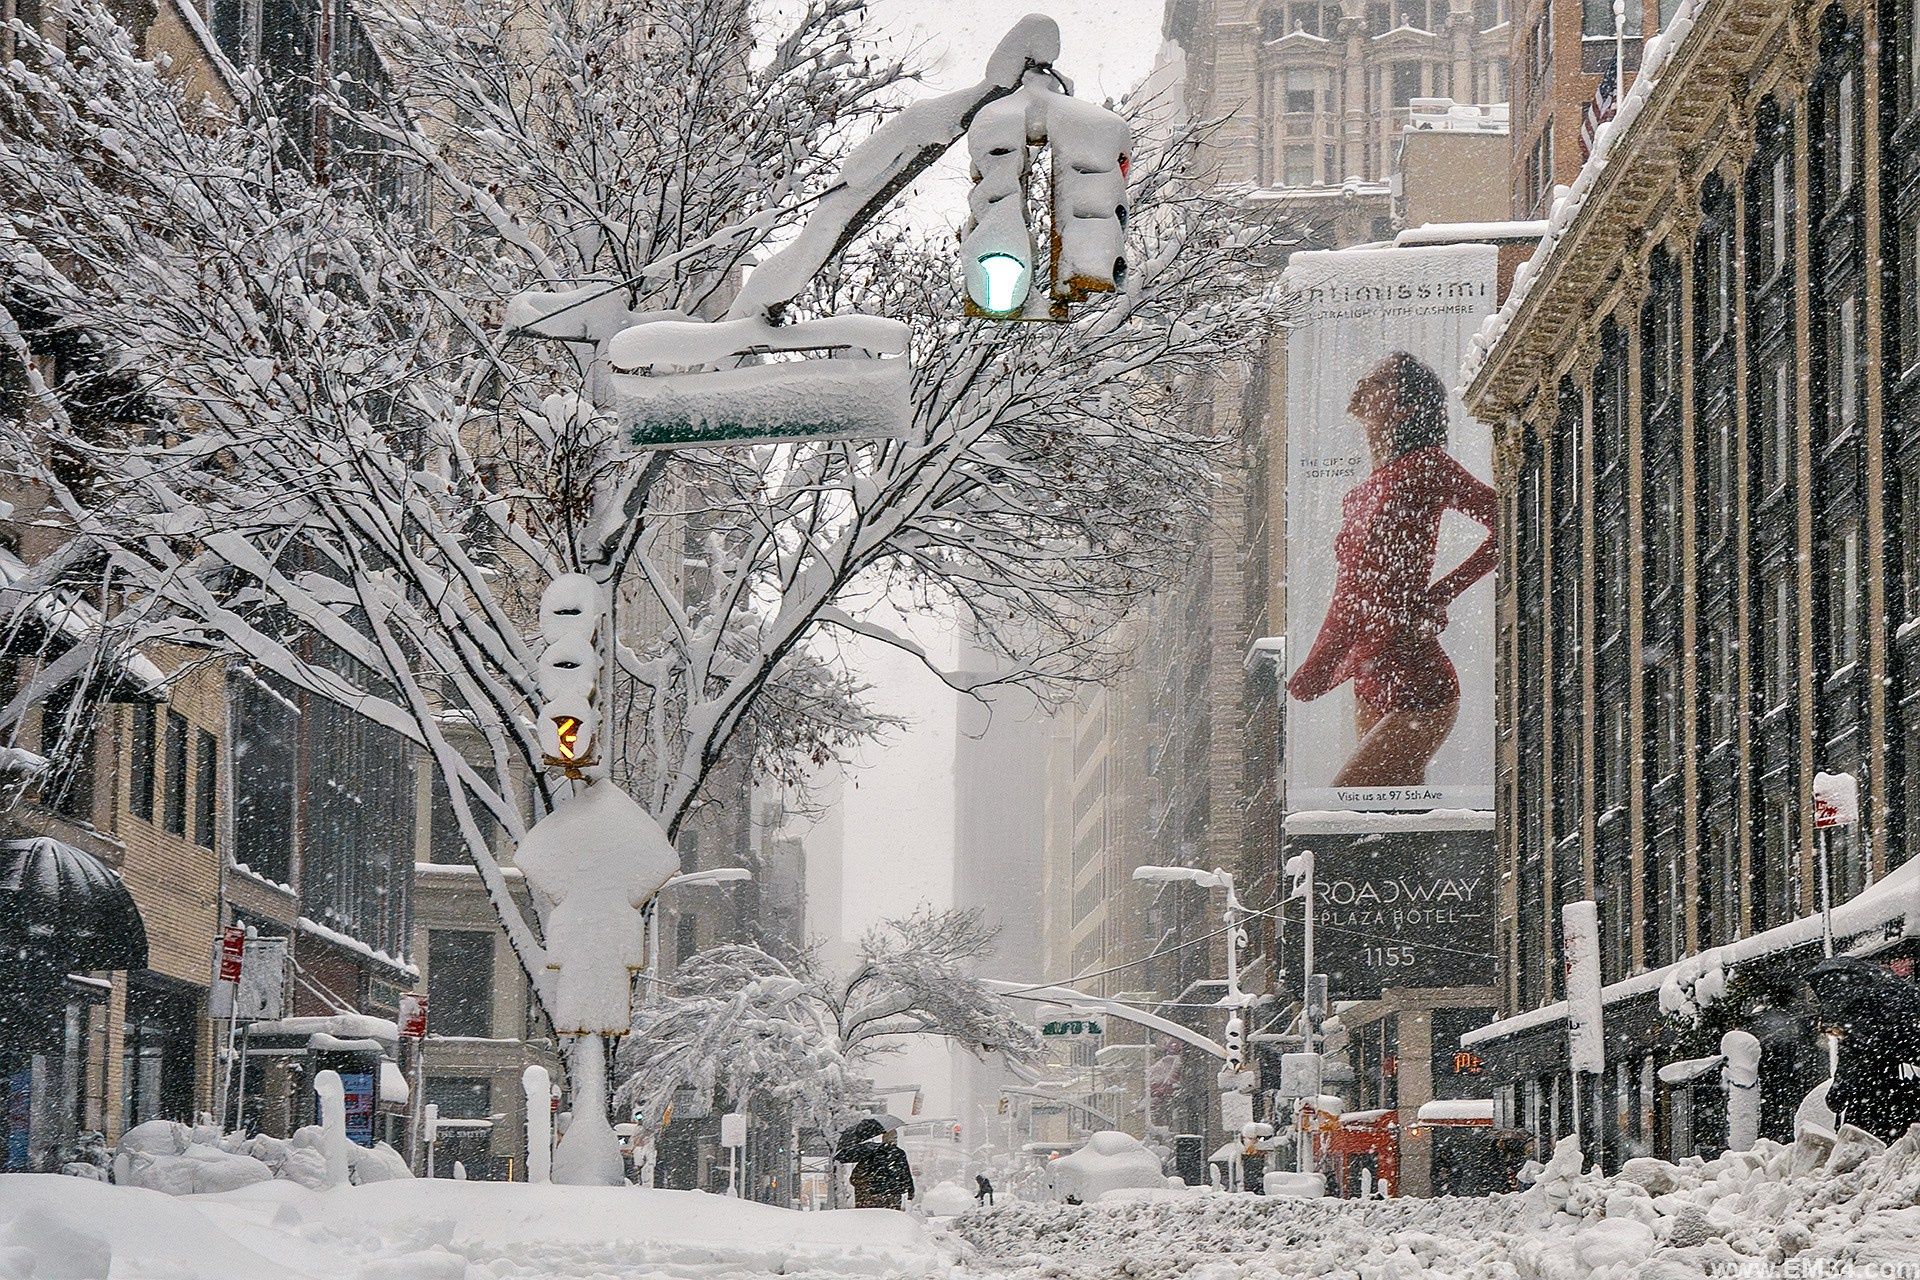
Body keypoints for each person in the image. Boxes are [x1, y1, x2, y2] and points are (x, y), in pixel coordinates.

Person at [1289, 351, 1497, 788]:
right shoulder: (1362, 492)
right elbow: (1352, 592)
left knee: (1349, 805)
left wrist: (1442, 592)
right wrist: (1325, 658)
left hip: (1418, 682)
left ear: (1406, 409)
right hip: (1371, 678)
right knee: (1384, 818)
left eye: (1380, 381)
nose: (1363, 383)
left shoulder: (1426, 465)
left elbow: (1506, 520)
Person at [1806, 956, 1920, 1144]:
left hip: (1866, 1115)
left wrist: (1835, 1096)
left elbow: (1844, 1082)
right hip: (1894, 1113)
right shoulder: (1885, 1028)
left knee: (1859, 1157)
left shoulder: (1856, 1040)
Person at [836, 1121, 915, 1209]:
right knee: (891, 1217)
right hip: (892, 1193)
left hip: (871, 1193)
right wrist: (910, 1190)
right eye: (894, 1138)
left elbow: (858, 1172)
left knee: (869, 1216)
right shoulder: (898, 1153)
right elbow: (905, 1173)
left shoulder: (870, 1151)